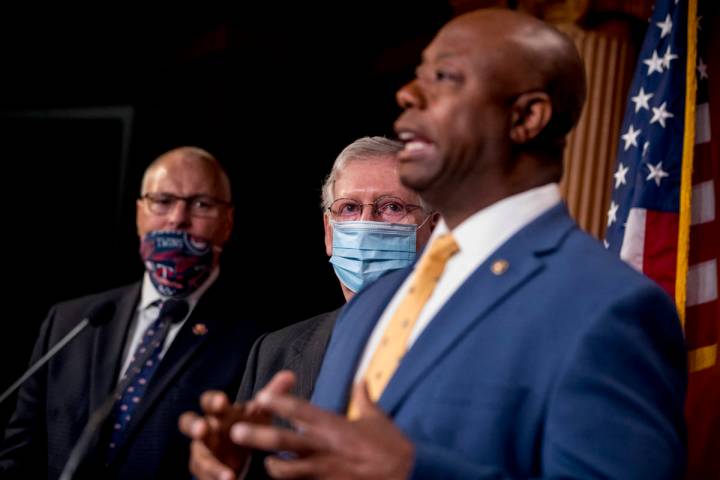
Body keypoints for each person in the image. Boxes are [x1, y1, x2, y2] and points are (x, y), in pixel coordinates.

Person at [184, 9, 687, 479]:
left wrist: (413, 470)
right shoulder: (374, 304)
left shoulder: (607, 306)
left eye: (443, 77)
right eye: (416, 75)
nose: (406, 94)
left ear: (526, 116)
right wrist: (246, 462)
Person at [179, 136, 437, 479]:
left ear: (434, 230)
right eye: (349, 209)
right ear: (329, 233)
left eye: (391, 207)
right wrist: (234, 466)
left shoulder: (467, 342)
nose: (365, 225)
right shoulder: (274, 352)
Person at [0, 147, 265, 479]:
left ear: (227, 223)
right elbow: (20, 453)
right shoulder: (70, 322)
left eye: (201, 204)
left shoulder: (259, 341)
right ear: (140, 213)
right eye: (163, 201)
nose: (178, 218)